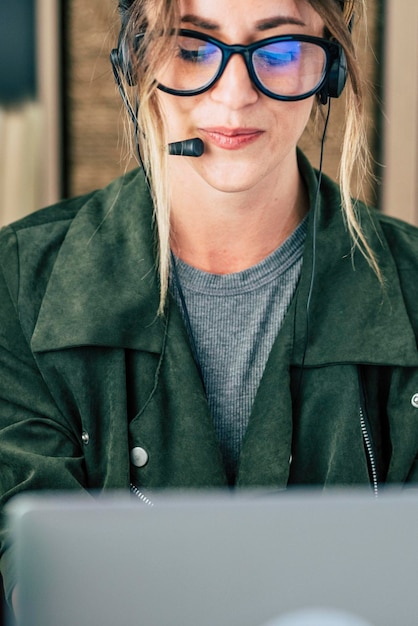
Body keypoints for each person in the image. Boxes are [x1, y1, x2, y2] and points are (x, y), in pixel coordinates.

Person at [1, 0, 418, 612]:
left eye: (276, 52)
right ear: (134, 58)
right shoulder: (16, 286)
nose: (234, 94)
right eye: (193, 48)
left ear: (326, 63)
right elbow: (29, 569)